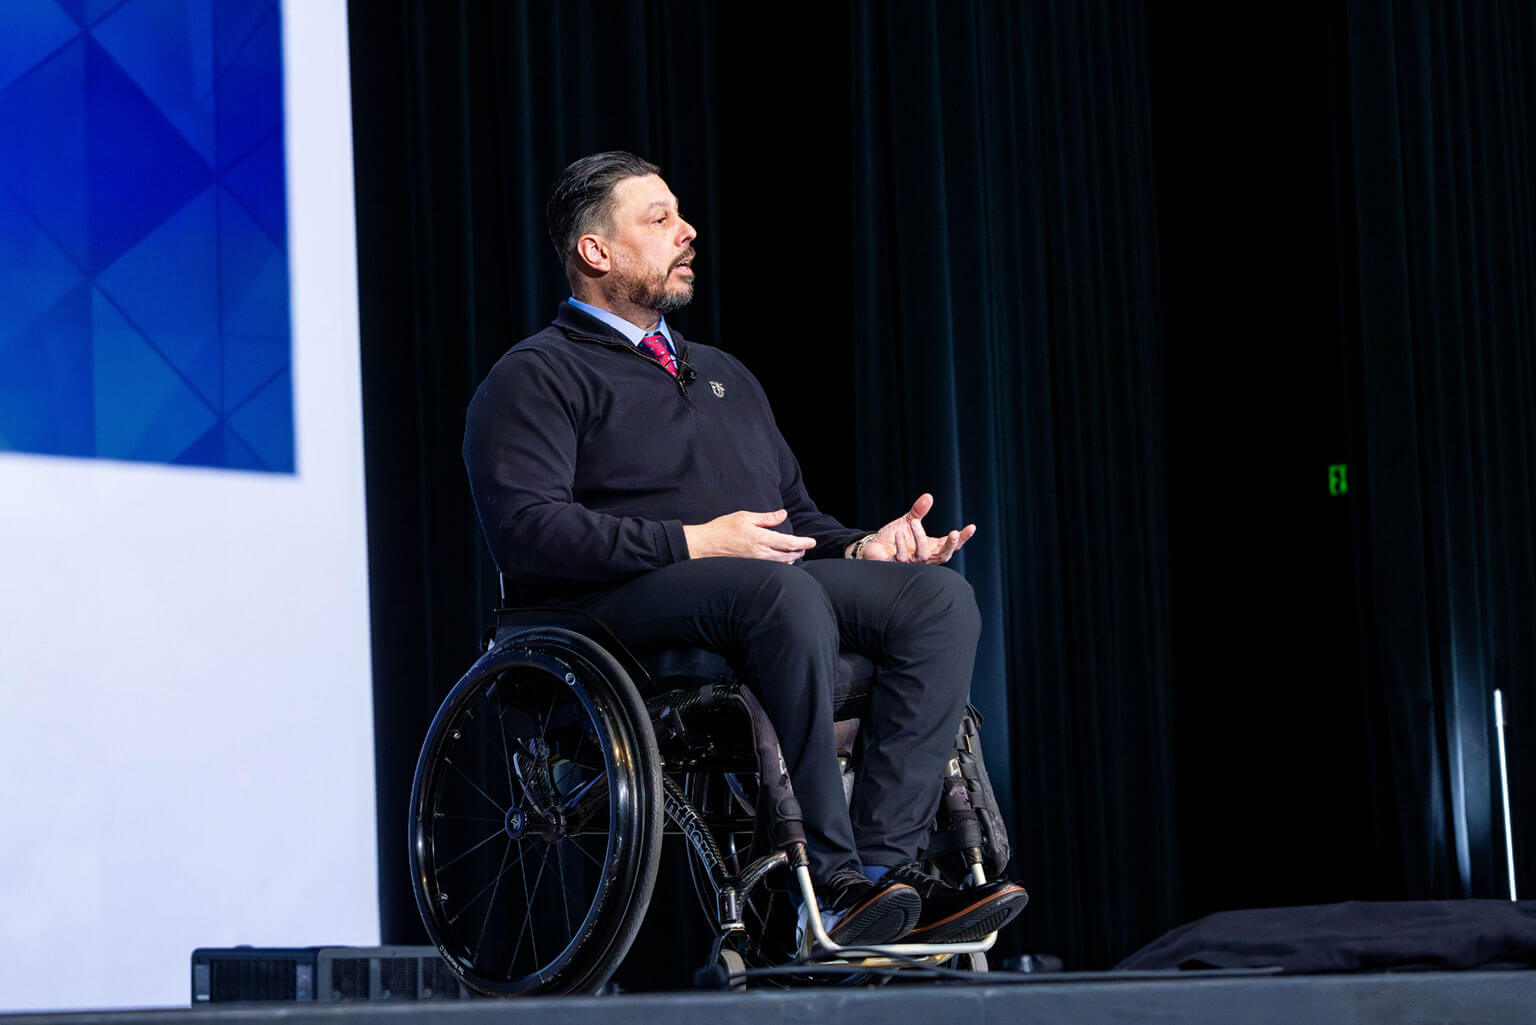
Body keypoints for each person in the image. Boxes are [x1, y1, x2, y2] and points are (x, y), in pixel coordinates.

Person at [463, 151, 1027, 949]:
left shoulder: (722, 374)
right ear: (596, 252)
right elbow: (527, 532)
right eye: (658, 219)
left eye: (681, 214)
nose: (687, 230)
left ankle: (883, 875)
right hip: (613, 613)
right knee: (778, 592)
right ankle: (830, 885)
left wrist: (866, 545)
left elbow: (793, 516)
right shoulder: (536, 376)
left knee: (940, 601)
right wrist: (691, 542)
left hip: (755, 594)